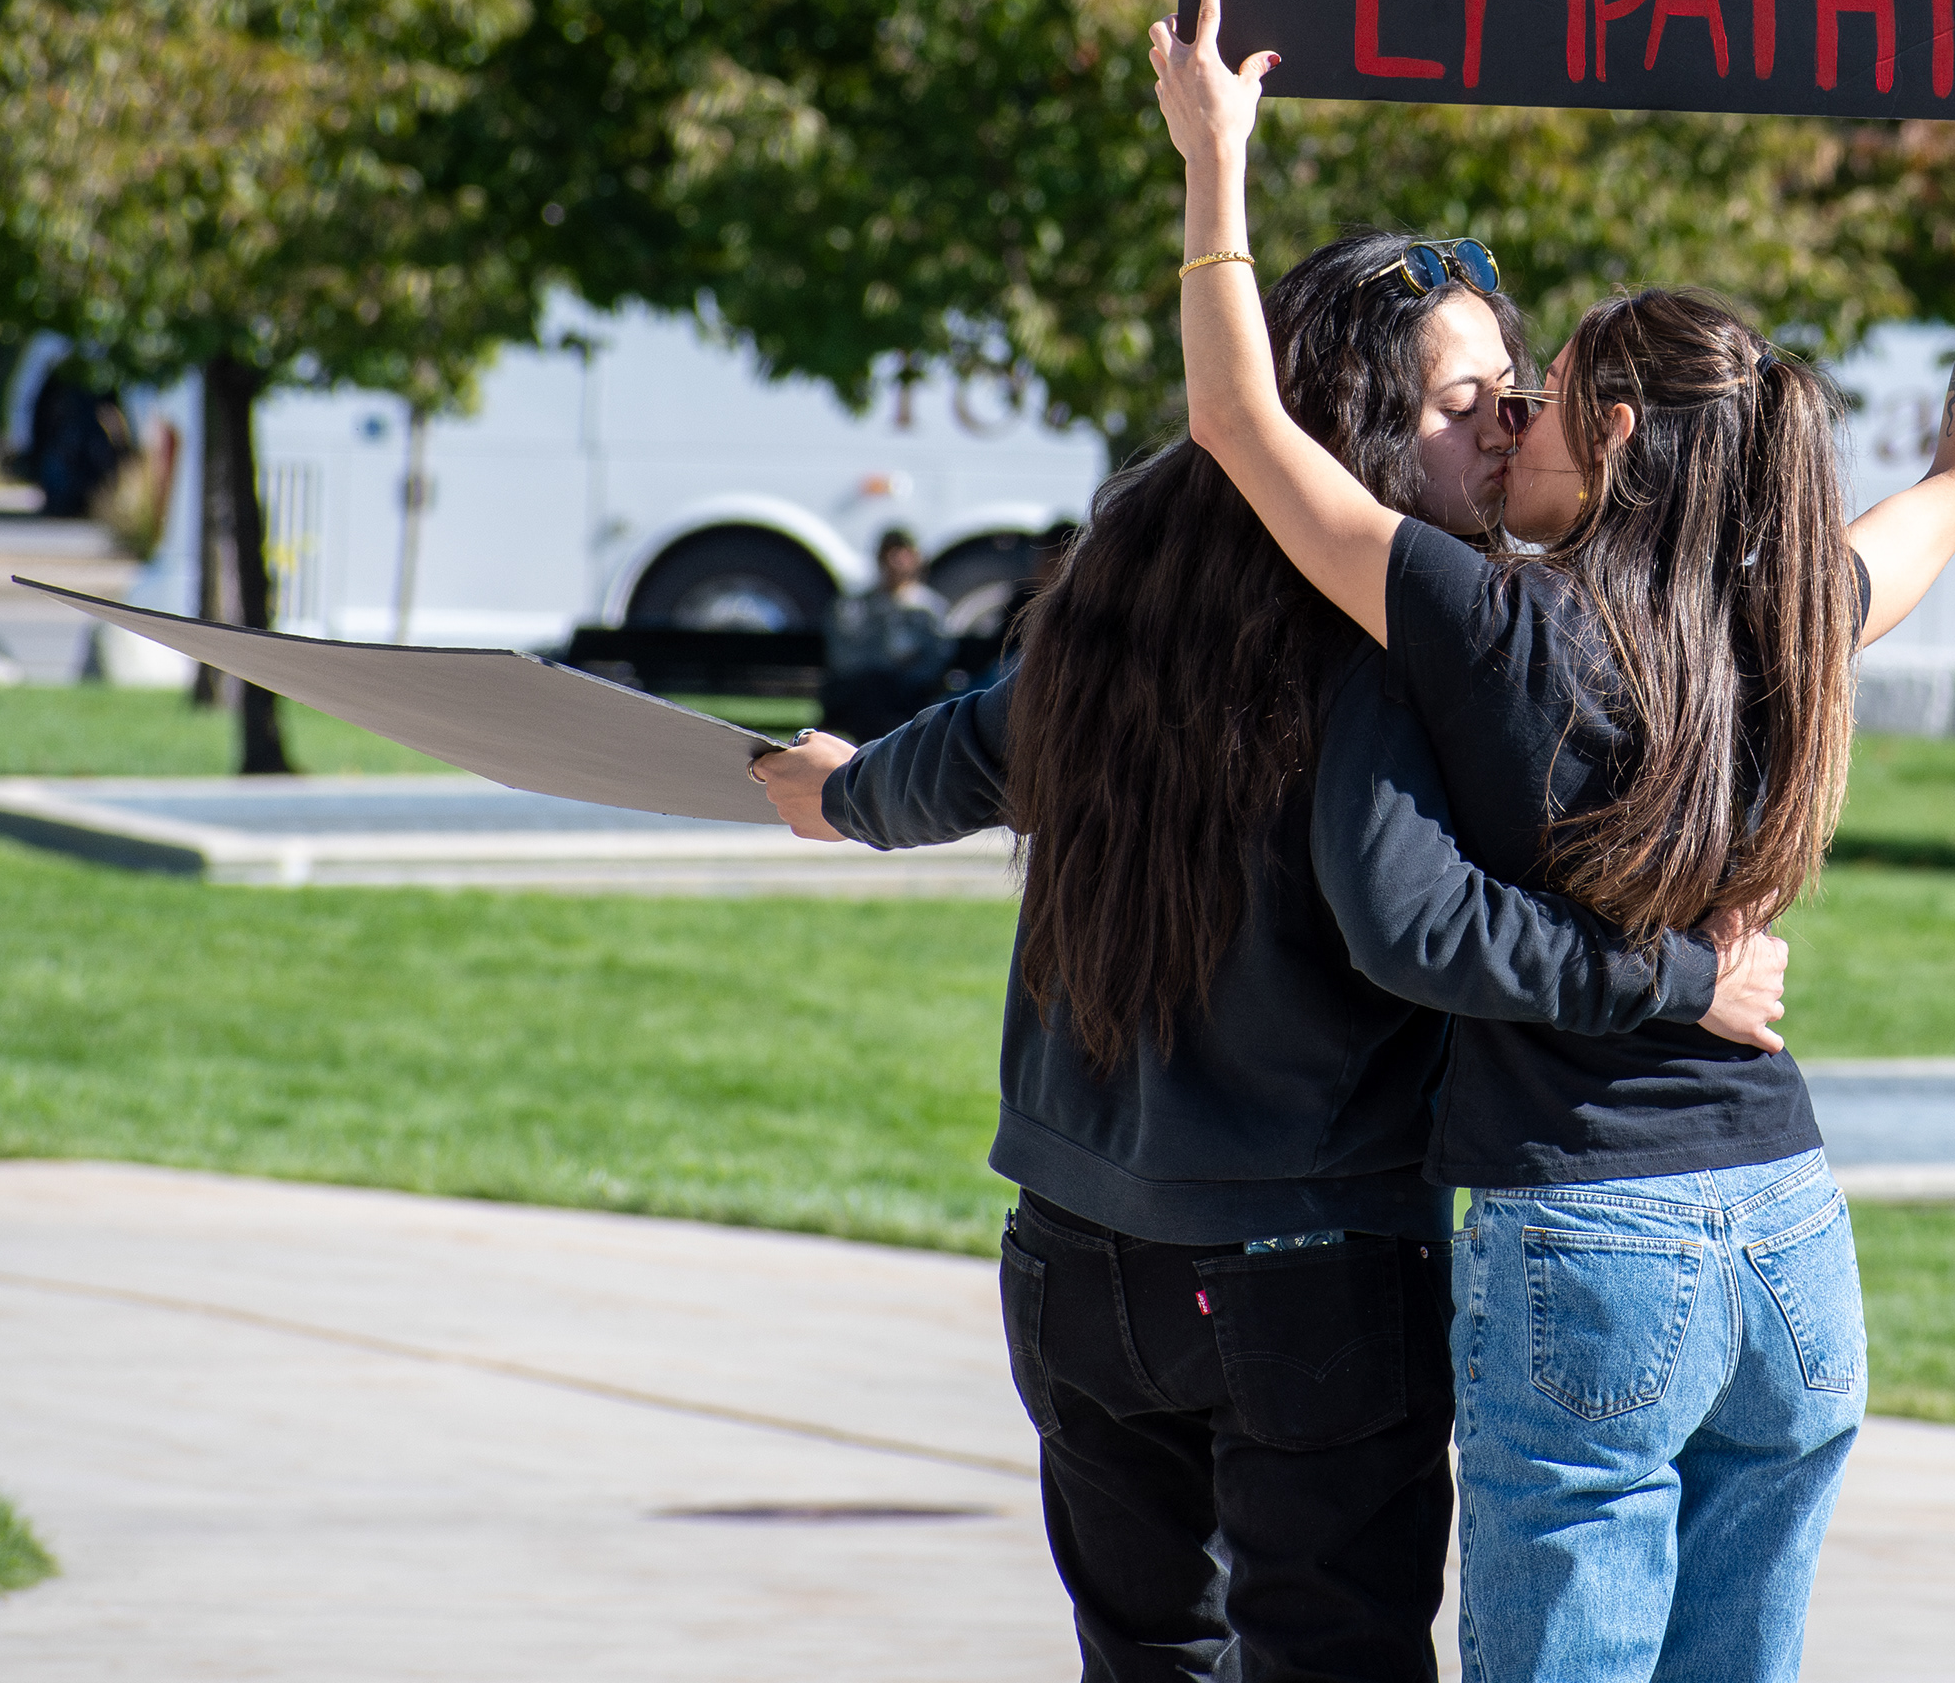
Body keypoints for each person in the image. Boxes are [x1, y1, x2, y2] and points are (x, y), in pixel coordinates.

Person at [1154, 0, 1955, 1683]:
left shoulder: (1490, 625)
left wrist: (1214, 162)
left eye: (1541, 397)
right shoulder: (1799, 619)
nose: (1509, 416)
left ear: (1607, 433)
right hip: (1795, 1241)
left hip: (1590, 1238)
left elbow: (1240, 424)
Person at [750, 232, 1787, 1683]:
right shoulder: (1394, 651)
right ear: (1352, 432)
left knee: (1152, 1660)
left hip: (1070, 1260)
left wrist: (836, 795)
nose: (1508, 420)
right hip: (1307, 1273)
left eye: (1514, 391)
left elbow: (968, 754)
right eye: (1463, 402)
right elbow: (1422, 924)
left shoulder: (1127, 613)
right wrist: (1680, 978)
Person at [818, 526, 954, 741]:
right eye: (888, 553)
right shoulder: (854, 606)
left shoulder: (930, 610)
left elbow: (935, 663)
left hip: (906, 698)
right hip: (860, 697)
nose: (895, 561)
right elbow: (842, 658)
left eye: (903, 552)